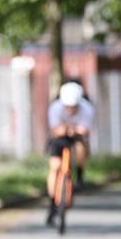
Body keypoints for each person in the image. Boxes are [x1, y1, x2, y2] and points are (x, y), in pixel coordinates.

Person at [46, 80, 95, 224]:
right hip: (59, 138)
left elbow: (85, 130)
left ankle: (79, 175)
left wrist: (73, 130)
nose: (70, 110)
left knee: (81, 148)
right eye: (68, 106)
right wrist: (66, 130)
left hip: (77, 137)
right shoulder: (55, 108)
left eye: (73, 107)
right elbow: (55, 131)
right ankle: (52, 203)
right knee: (55, 167)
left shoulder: (87, 109)